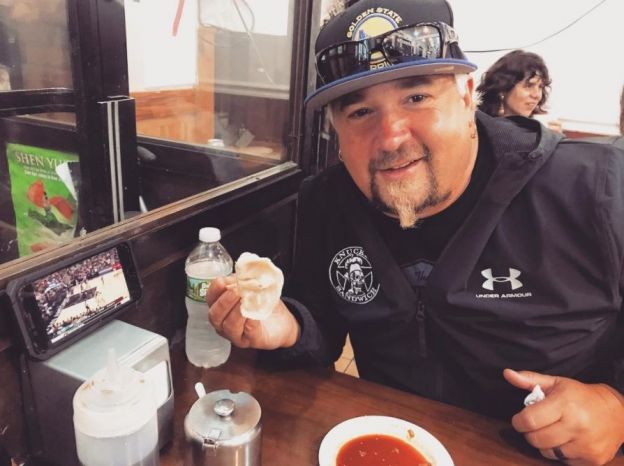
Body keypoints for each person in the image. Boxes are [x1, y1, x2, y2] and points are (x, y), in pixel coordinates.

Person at [206, 0, 624, 464]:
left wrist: (615, 407)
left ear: (466, 96)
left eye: (416, 98)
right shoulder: (326, 200)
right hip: (387, 447)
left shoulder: (598, 188)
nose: (390, 136)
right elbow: (321, 327)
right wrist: (290, 327)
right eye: (360, 112)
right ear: (335, 130)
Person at [477, 49, 552, 119]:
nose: (536, 95)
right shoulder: (476, 124)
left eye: (540, 87)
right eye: (529, 86)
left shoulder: (536, 128)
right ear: (503, 88)